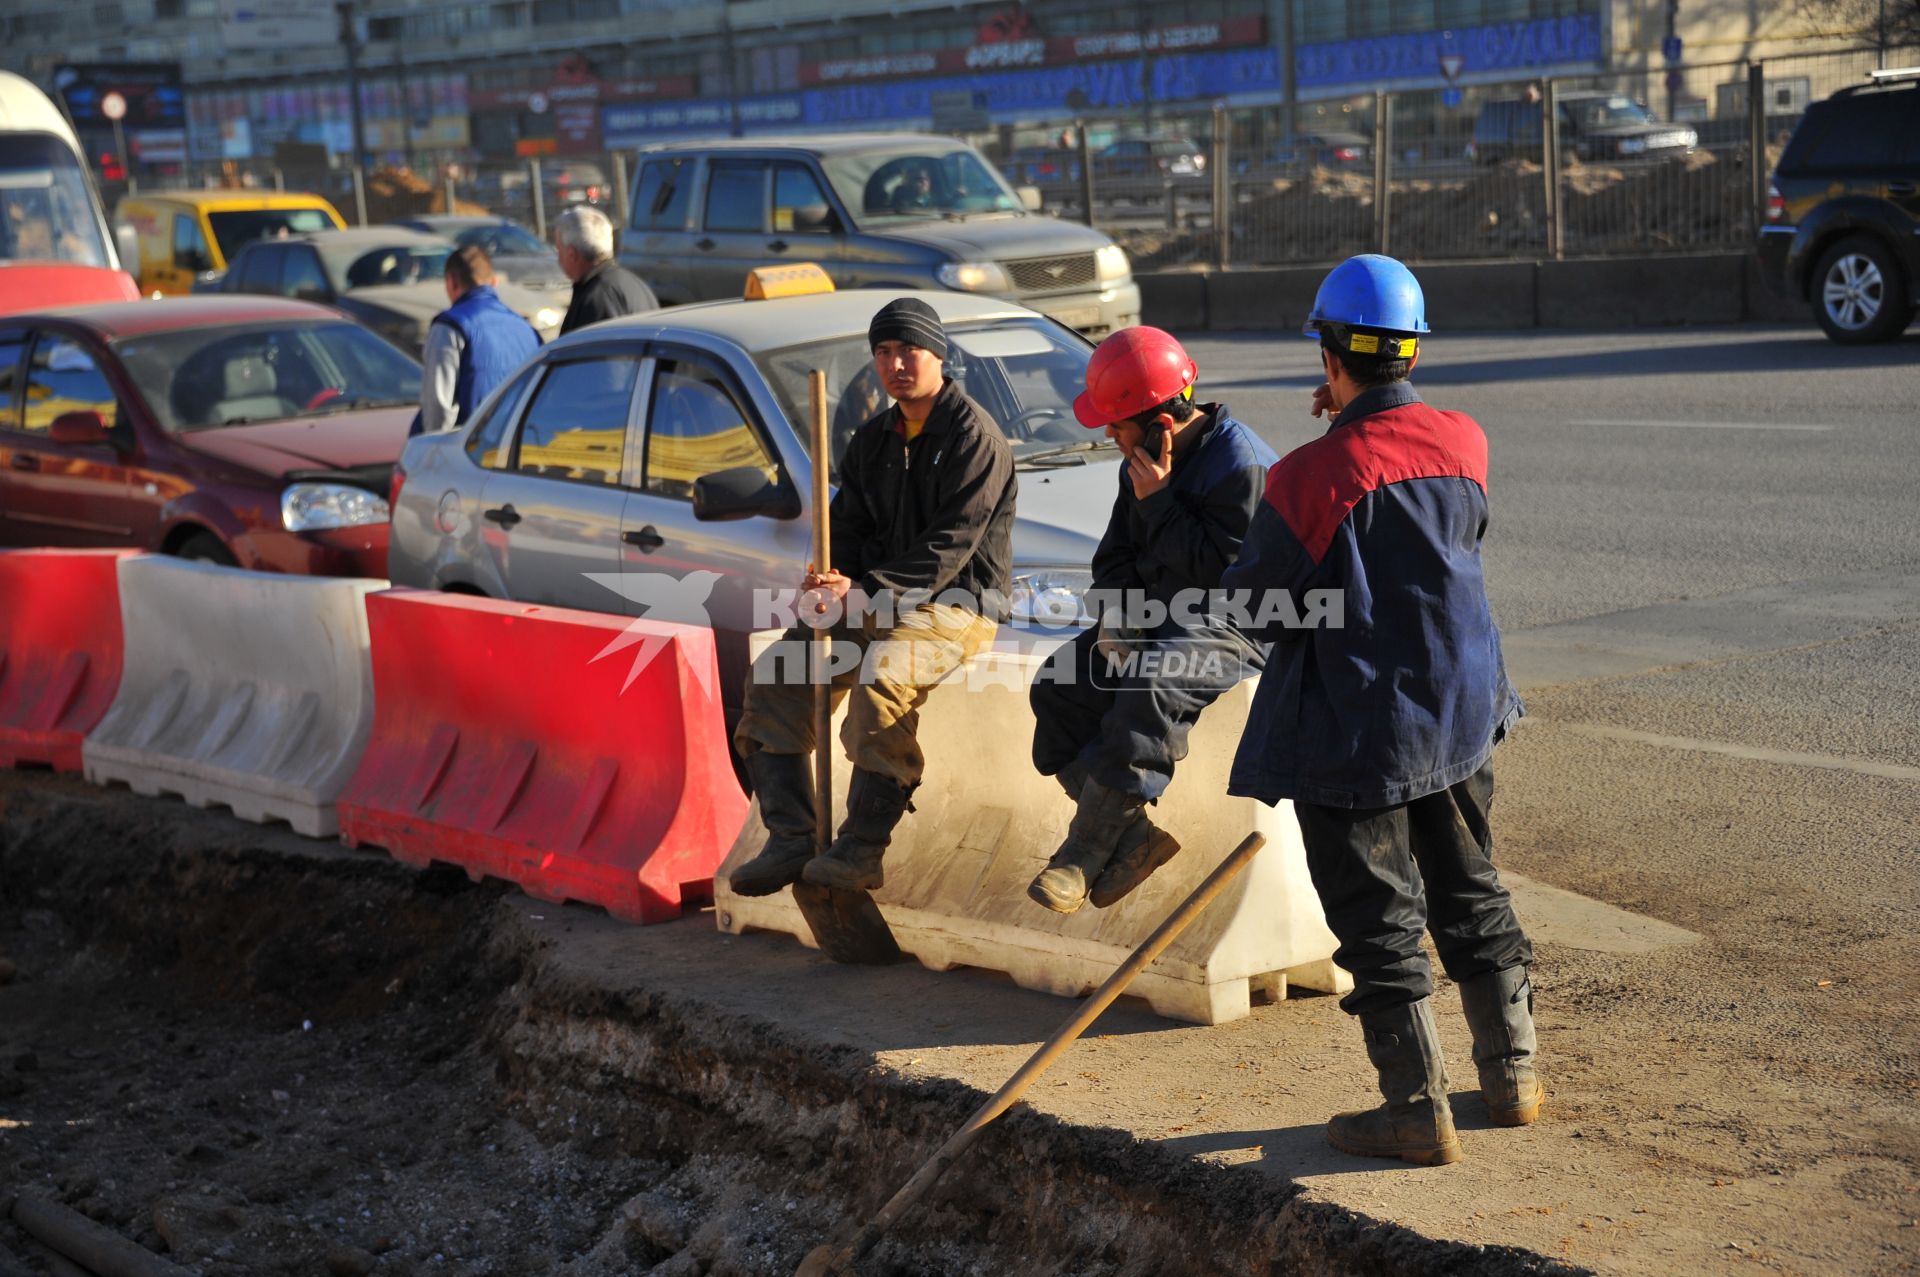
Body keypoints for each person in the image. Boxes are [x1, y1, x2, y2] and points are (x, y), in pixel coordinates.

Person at [1222, 255, 1538, 1167]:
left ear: (1330, 358)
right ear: (1410, 351)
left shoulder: (1307, 480)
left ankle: (1415, 1112)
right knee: (1471, 885)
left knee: (1380, 916)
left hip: (1362, 733)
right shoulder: (1465, 442)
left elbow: (1254, 610)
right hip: (1463, 707)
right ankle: (1512, 1079)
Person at [728, 298, 1016, 897]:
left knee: (881, 677)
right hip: (876, 598)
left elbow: (949, 548)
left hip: (957, 605)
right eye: (883, 352)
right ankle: (791, 838)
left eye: (907, 350)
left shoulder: (974, 438)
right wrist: (831, 581)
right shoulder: (872, 439)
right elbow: (849, 530)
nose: (895, 364)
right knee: (777, 672)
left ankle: (861, 848)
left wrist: (864, 593)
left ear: (938, 353)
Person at [1026, 327, 1277, 914]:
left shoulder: (1239, 465)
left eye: (1117, 424)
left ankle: (1084, 852)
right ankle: (1132, 837)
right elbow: (1114, 556)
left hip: (1239, 620)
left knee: (1154, 682)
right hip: (1163, 614)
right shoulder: (1138, 462)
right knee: (1058, 690)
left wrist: (1161, 503)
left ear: (1163, 423)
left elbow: (1225, 581)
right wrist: (1116, 615)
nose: (1110, 436)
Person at [414, 244, 540, 436]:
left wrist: (432, 453)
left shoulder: (450, 327)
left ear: (451, 283)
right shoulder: (527, 330)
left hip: (470, 453)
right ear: (494, 283)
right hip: (521, 447)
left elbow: (439, 407)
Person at [554, 205, 657, 335]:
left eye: (558, 250)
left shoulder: (598, 298)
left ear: (571, 255)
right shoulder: (634, 283)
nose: (557, 258)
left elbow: (602, 353)